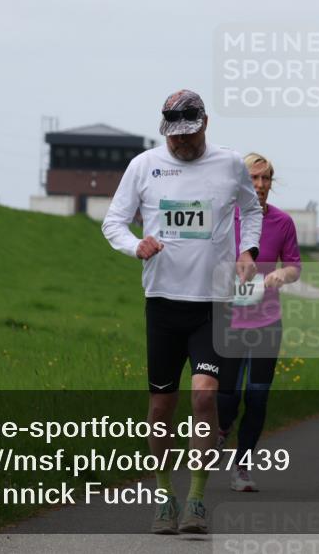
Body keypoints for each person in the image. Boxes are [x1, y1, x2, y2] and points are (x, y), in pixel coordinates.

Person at [101, 89, 262, 535]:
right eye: (173, 136)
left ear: (205, 124)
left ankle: (196, 498)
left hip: (213, 301)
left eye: (188, 134)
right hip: (163, 301)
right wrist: (136, 245)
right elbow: (113, 222)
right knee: (161, 406)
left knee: (205, 396)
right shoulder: (144, 165)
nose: (180, 142)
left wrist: (248, 250)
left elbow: (251, 210)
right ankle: (163, 496)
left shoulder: (230, 164)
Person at [217, 153, 300, 492]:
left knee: (257, 396)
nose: (261, 185)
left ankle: (242, 467)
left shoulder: (282, 222)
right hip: (228, 319)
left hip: (266, 320)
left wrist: (282, 274)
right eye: (254, 178)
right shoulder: (225, 217)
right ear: (242, 181)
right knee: (227, 396)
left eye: (266, 178)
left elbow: (294, 266)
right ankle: (222, 429)